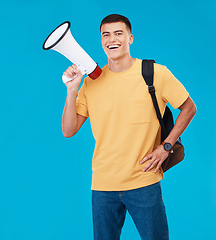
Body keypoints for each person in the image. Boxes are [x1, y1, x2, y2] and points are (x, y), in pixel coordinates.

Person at [61, 14, 196, 240]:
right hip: (103, 185)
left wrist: (166, 145)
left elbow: (189, 107)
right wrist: (72, 89)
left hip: (144, 182)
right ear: (101, 41)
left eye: (118, 33)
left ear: (130, 38)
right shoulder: (91, 83)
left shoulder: (155, 73)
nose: (111, 39)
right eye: (106, 35)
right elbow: (68, 130)